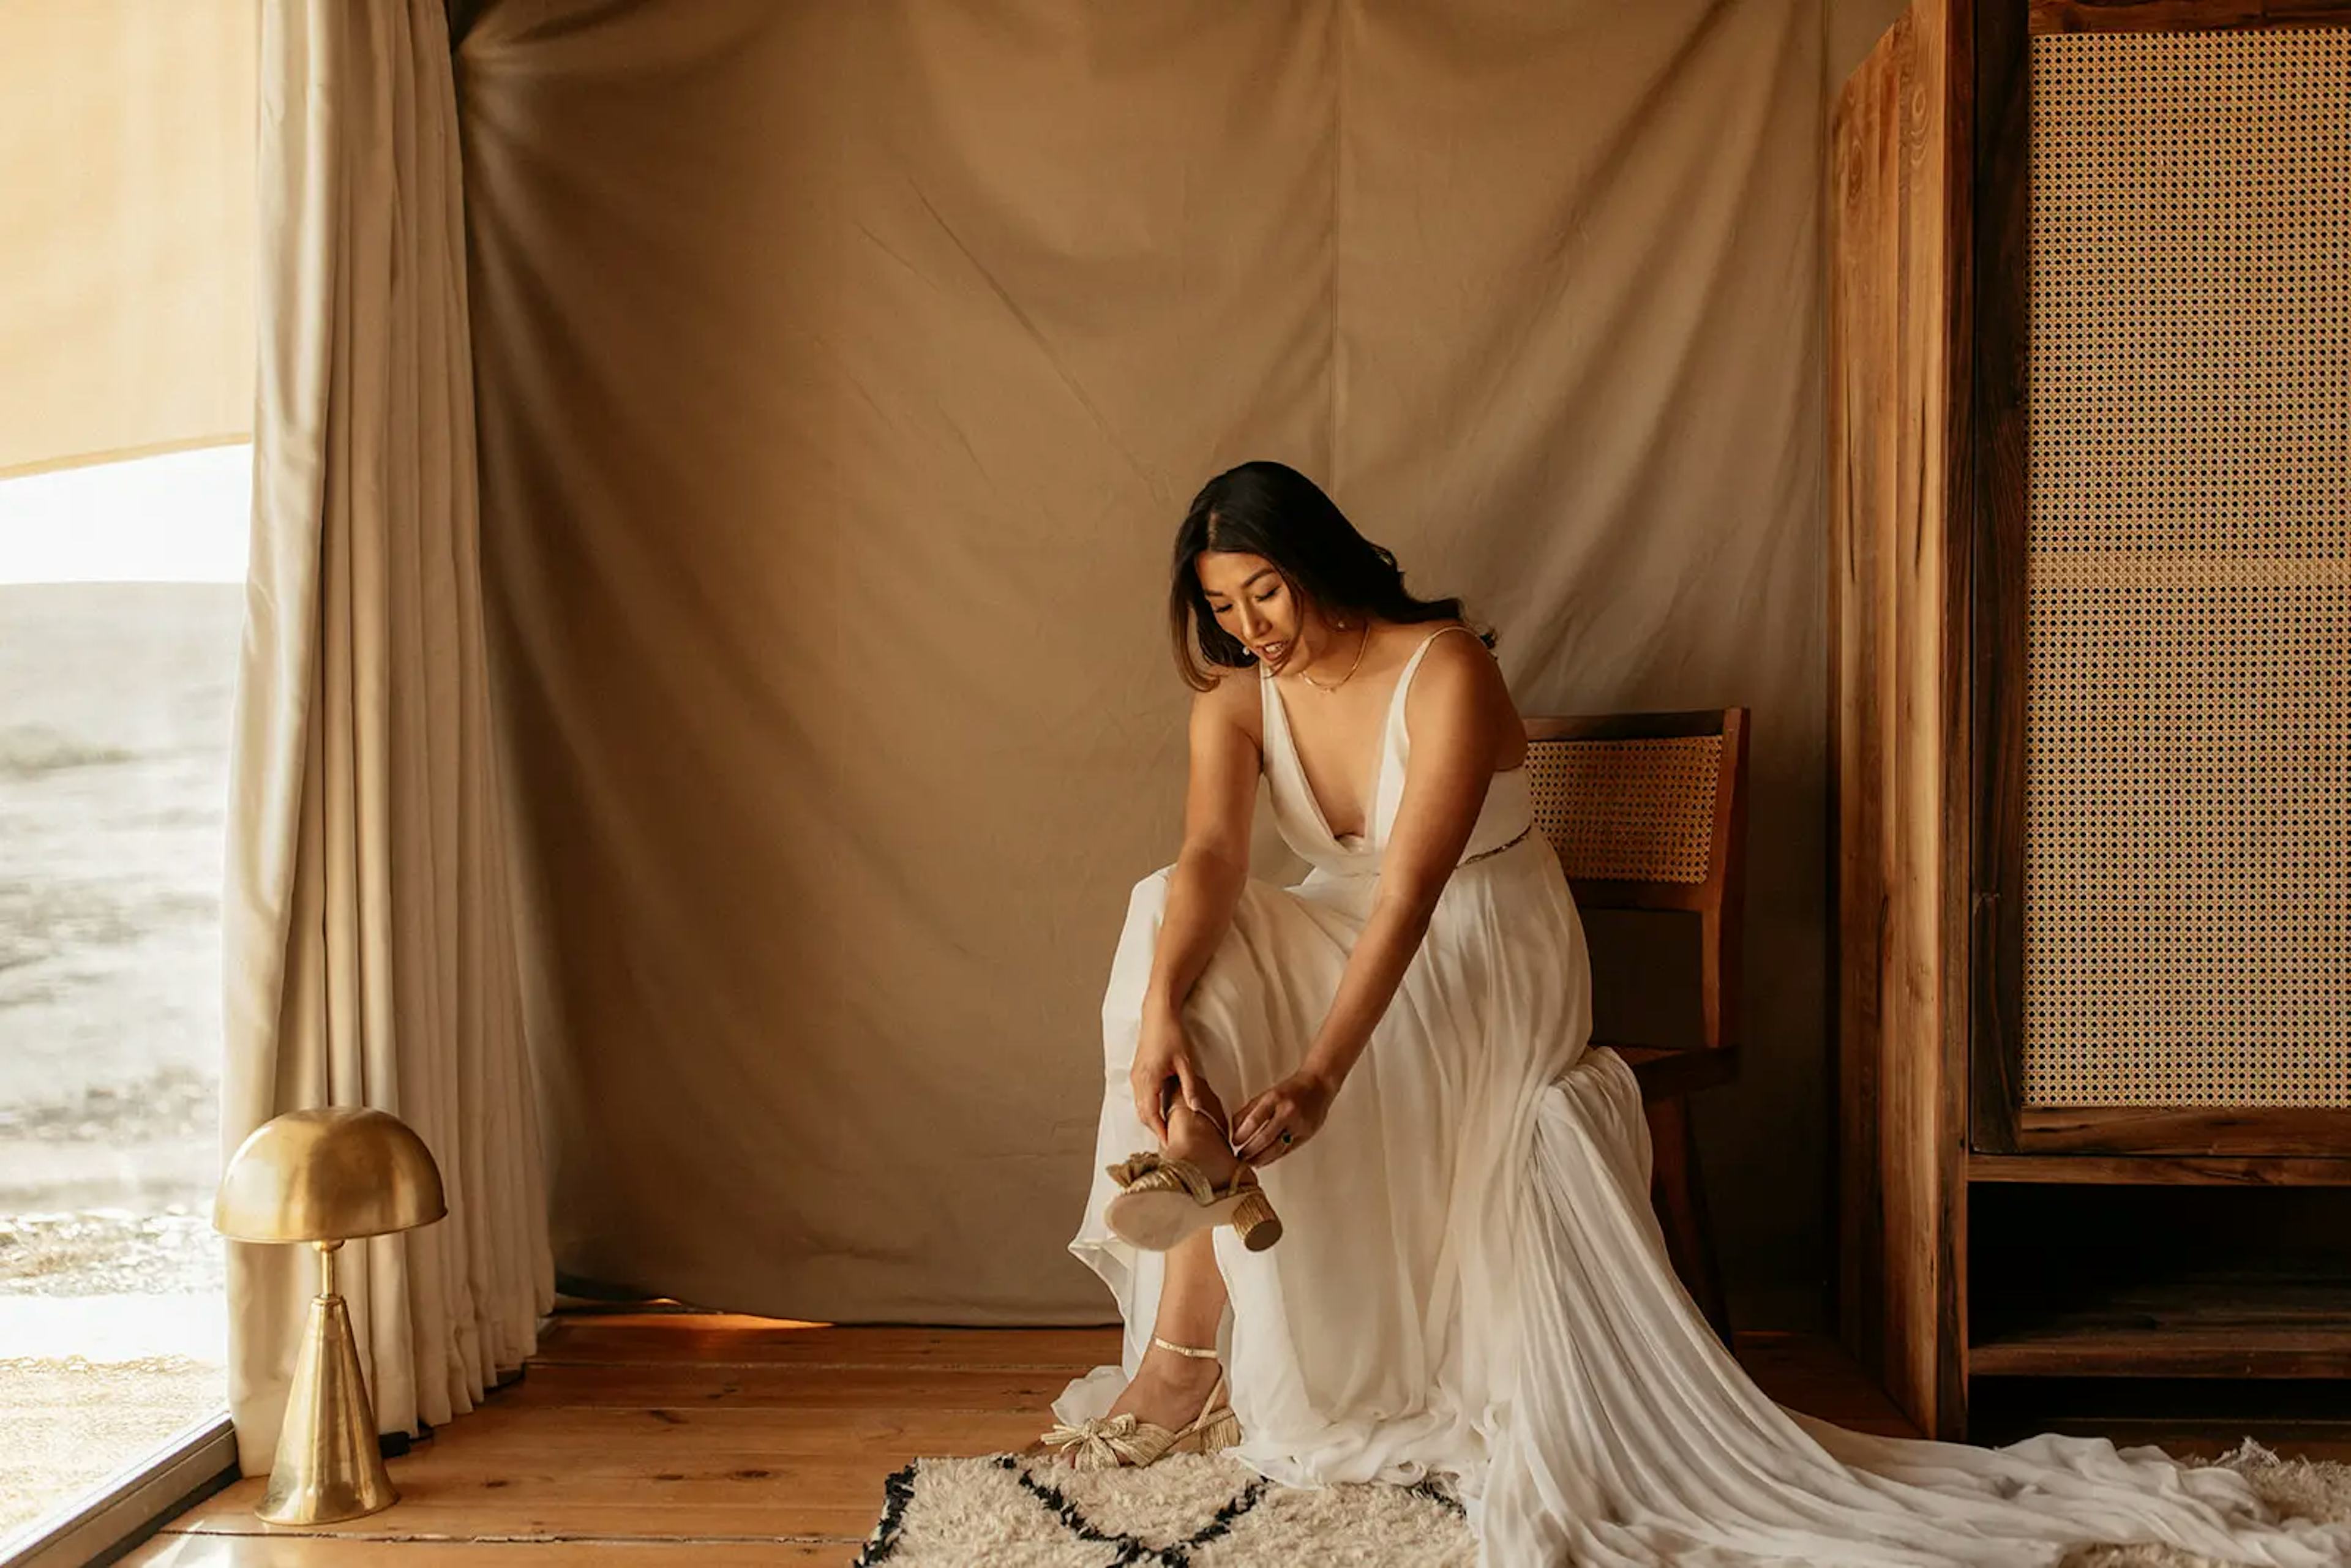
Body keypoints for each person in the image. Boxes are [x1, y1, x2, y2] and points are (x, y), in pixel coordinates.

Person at [1036, 460, 2349, 1567]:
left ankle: (1190, 1309)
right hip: (1343, 929)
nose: (1252, 624)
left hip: (1480, 947)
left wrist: (1321, 1073)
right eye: (1223, 604)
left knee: (1265, 1012)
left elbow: (1417, 898)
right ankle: (1191, 1224)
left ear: (1320, 561)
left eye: (1266, 588)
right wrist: (1158, 1015)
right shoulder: (1235, 696)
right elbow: (1214, 859)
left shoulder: (1445, 672)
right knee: (1167, 918)